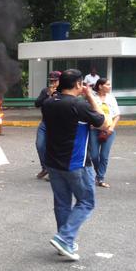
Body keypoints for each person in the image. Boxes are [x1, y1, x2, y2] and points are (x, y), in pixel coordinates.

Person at [42, 69, 110, 260]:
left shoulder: (48, 104)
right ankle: (65, 238)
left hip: (53, 162)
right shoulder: (78, 105)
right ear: (79, 84)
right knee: (86, 201)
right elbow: (103, 123)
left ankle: (65, 242)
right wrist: (90, 97)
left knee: (62, 202)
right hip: (76, 162)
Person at [88, 78, 120, 188]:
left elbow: (116, 115)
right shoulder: (93, 98)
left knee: (104, 156)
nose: (110, 86)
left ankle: (100, 178)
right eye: (107, 84)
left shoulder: (111, 98)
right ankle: (99, 174)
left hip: (109, 130)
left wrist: (111, 127)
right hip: (94, 130)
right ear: (100, 86)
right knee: (94, 156)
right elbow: (89, 112)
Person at [34, 71, 61, 179]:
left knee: (54, 148)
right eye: (51, 81)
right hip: (45, 123)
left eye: (55, 81)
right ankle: (45, 167)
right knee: (40, 144)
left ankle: (54, 171)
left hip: (58, 124)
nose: (53, 83)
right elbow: (37, 104)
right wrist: (48, 94)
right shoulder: (45, 91)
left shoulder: (64, 91)